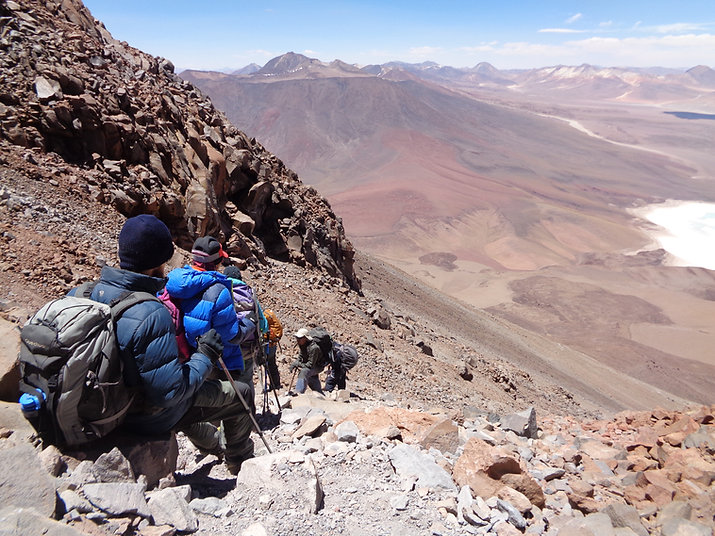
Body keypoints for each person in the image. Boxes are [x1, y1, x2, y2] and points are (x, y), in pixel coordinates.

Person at [71, 215, 254, 474]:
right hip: (135, 415)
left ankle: (211, 444)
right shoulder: (151, 310)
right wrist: (205, 354)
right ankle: (240, 461)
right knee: (241, 393)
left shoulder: (82, 293)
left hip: (86, 408)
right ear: (158, 264)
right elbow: (170, 394)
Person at [290, 328, 326, 394]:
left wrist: (298, 364)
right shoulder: (302, 345)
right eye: (297, 338)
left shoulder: (314, 348)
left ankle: (298, 392)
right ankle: (320, 394)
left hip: (318, 366)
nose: (297, 340)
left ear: (305, 338)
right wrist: (295, 363)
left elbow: (310, 364)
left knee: (304, 372)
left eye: (299, 338)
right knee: (312, 379)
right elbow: (301, 357)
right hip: (313, 366)